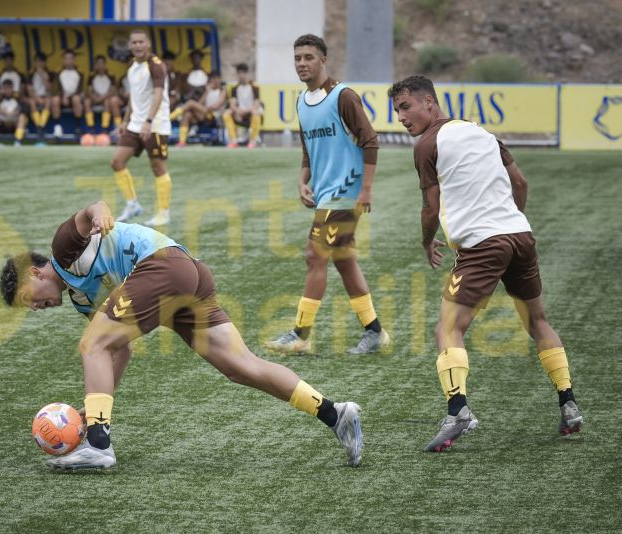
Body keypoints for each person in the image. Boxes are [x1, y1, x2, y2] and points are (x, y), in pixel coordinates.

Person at [0, 199, 365, 470]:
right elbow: (119, 350)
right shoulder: (81, 300)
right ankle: (335, 414)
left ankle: (98, 445)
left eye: (28, 300)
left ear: (35, 273)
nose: (34, 308)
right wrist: (99, 405)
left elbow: (91, 209)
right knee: (241, 367)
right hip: (187, 275)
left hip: (163, 267)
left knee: (90, 343)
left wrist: (101, 214)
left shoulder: (62, 249)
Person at [388, 75, 584, 452]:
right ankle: (568, 403)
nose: (401, 116)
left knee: (447, 329)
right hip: (520, 236)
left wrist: (426, 241)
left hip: (483, 245)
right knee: (538, 321)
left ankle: (458, 410)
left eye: (405, 106)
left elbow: (431, 207)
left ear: (429, 102)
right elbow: (520, 183)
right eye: (397, 110)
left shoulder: (427, 144)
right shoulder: (481, 133)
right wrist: (509, 224)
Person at [266, 34, 389, 355]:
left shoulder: (343, 96)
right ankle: (374, 331)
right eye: (297, 58)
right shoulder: (301, 102)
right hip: (324, 194)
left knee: (314, 254)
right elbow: (309, 151)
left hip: (346, 193)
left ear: (323, 60)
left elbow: (370, 141)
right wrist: (302, 181)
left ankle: (300, 334)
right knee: (344, 261)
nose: (302, 63)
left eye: (308, 57)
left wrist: (366, 189)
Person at [111, 29, 174, 227]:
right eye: (134, 42)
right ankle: (132, 204)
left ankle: (164, 213)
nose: (138, 45)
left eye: (141, 42)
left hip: (155, 124)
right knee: (117, 162)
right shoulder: (132, 67)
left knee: (158, 167)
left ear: (148, 44)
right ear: (130, 46)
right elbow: (133, 97)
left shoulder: (156, 66)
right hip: (135, 123)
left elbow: (157, 94)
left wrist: (148, 121)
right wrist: (125, 120)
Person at [175, 71, 226, 147]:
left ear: (219, 79)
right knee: (187, 114)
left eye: (215, 78)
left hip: (214, 116)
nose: (212, 81)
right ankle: (182, 141)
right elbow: (200, 103)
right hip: (204, 115)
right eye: (211, 79)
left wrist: (204, 108)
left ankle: (172, 116)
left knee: (191, 103)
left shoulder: (223, 91)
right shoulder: (208, 91)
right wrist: (207, 92)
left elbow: (216, 106)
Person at [223, 63, 262, 149]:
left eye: (243, 73)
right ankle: (233, 141)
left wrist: (244, 111)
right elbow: (232, 104)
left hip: (250, 113)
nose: (241, 75)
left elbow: (256, 104)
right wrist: (237, 111)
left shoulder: (254, 88)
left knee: (256, 113)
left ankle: (252, 141)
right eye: (239, 73)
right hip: (239, 114)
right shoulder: (235, 88)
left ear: (247, 74)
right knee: (226, 114)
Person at [0, 79, 28, 147]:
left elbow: (26, 110)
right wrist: (1, 111)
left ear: (12, 88)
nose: (7, 90)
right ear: (2, 89)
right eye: (5, 88)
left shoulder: (18, 98)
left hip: (14, 125)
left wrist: (15, 113)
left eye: (9, 88)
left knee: (22, 117)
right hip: (1, 124)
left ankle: (18, 142)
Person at [51, 48, 84, 138]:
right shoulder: (58, 72)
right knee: (54, 100)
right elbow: (56, 88)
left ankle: (78, 127)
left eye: (70, 58)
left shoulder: (79, 72)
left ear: (74, 60)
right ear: (64, 60)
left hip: (73, 97)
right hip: (62, 97)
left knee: (76, 99)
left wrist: (70, 96)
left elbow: (80, 89)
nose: (68, 61)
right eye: (66, 58)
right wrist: (63, 96)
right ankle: (57, 127)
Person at [84, 55, 122, 131]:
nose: (100, 65)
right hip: (95, 98)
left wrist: (102, 97)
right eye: (98, 63)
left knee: (107, 102)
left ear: (105, 64)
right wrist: (95, 98)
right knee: (87, 102)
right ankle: (91, 127)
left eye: (102, 63)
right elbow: (89, 90)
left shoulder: (111, 75)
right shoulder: (91, 76)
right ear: (95, 65)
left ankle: (105, 127)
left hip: (106, 98)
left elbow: (113, 91)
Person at [26, 52, 55, 137]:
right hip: (34, 97)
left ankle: (42, 125)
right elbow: (29, 89)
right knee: (32, 102)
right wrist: (37, 98)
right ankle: (38, 127)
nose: (39, 64)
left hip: (45, 96)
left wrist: (42, 74)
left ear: (45, 63)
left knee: (48, 101)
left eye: (41, 62)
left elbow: (49, 88)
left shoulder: (50, 73)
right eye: (37, 62)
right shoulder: (30, 74)